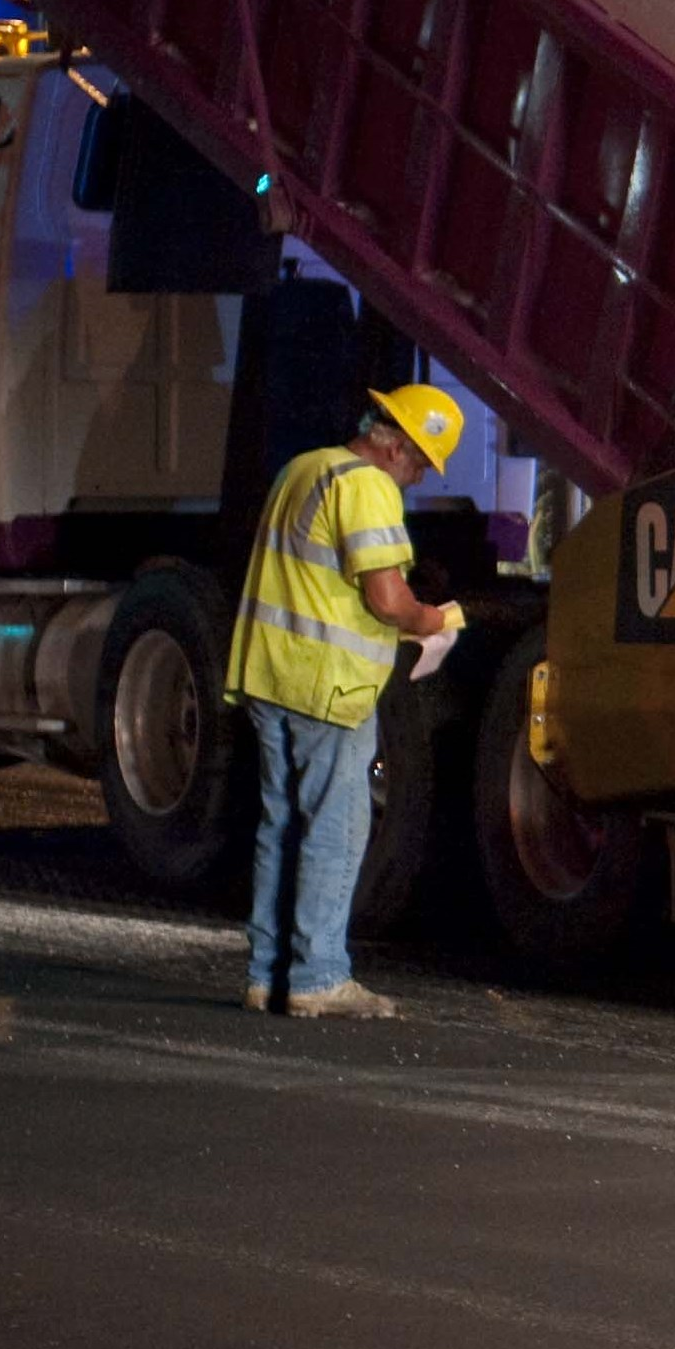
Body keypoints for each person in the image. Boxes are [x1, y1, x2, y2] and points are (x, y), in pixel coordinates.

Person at [234, 386, 467, 1019]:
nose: (416, 478)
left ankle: (269, 975)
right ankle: (318, 977)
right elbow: (386, 598)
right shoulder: (367, 487)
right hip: (326, 685)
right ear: (393, 444)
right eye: (418, 464)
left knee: (280, 826)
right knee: (335, 830)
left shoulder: (302, 468)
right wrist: (433, 619)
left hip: (271, 674)